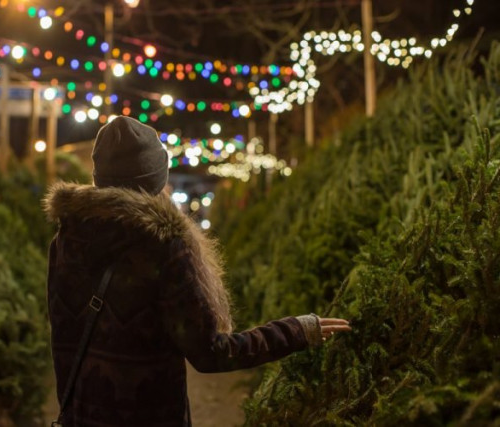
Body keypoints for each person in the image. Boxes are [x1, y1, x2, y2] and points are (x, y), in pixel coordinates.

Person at [43, 116, 351, 426]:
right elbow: (211, 353)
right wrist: (294, 331)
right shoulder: (164, 247)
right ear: (155, 179)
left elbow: (62, 343)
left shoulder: (66, 240)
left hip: (83, 417)